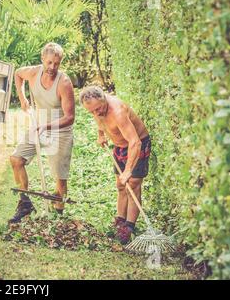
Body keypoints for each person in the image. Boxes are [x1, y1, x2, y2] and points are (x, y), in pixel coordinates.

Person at [9, 43, 75, 224]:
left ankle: (58, 216)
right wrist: (22, 99)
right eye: (49, 63)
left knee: (60, 177)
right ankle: (24, 203)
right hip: (39, 126)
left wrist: (47, 126)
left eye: (56, 63)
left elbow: (70, 117)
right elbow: (17, 74)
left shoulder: (64, 83)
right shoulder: (33, 72)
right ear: (42, 60)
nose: (52, 67)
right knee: (16, 160)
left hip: (60, 129)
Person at [80, 85, 151, 244]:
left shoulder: (118, 112)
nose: (96, 113)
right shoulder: (96, 108)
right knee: (120, 185)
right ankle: (120, 221)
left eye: (98, 109)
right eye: (91, 111)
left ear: (104, 98)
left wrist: (128, 170)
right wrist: (101, 134)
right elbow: (98, 118)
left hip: (137, 145)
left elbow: (135, 142)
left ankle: (129, 226)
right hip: (120, 147)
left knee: (132, 184)